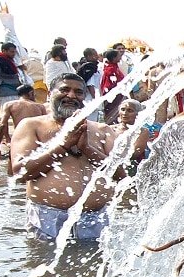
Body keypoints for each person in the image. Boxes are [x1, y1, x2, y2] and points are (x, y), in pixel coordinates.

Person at [10, 72, 125, 241]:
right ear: (50, 94)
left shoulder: (102, 129)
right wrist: (63, 146)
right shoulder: (32, 125)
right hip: (47, 218)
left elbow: (120, 175)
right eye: (65, 90)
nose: (71, 95)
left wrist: (86, 148)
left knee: (97, 266)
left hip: (95, 219)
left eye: (78, 92)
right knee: (44, 264)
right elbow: (20, 173)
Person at [0, 84, 47, 162]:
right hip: (37, 140)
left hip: (19, 139)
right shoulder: (40, 107)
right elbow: (45, 126)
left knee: (13, 166)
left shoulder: (10, 105)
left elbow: (2, 125)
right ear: (30, 93)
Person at [110, 98, 150, 175]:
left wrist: (112, 158)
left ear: (138, 113)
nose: (125, 113)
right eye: (123, 109)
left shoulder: (142, 131)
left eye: (130, 110)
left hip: (131, 170)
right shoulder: (110, 129)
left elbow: (135, 152)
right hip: (110, 165)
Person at [77, 47, 103, 122]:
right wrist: (95, 99)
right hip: (89, 99)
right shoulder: (89, 67)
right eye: (94, 55)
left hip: (91, 97)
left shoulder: (94, 66)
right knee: (91, 120)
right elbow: (90, 85)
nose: (97, 56)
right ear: (88, 57)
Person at [100, 49, 125, 125]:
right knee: (111, 116)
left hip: (117, 95)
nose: (120, 57)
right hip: (113, 97)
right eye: (119, 56)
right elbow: (109, 85)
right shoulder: (110, 69)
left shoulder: (114, 67)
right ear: (114, 58)